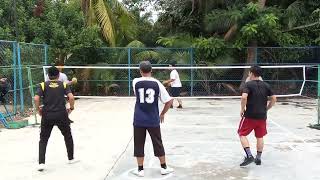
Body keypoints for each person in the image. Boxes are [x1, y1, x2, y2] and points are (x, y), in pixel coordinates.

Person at [132, 61, 174, 177]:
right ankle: (164, 167)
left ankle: (140, 169)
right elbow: (169, 101)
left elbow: (138, 94)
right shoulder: (157, 84)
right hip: (153, 119)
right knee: (158, 142)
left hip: (139, 119)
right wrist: (162, 114)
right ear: (151, 70)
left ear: (140, 71)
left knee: (139, 143)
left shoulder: (135, 82)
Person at [34, 66, 77, 171]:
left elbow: (36, 98)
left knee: (43, 139)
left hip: (47, 115)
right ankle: (71, 158)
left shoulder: (43, 85)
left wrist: (38, 109)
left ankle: (41, 163)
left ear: (48, 75)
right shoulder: (63, 84)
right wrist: (71, 108)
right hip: (61, 114)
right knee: (67, 136)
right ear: (58, 75)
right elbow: (71, 97)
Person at [238, 65, 277, 167]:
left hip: (249, 115)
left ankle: (249, 156)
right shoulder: (266, 85)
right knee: (260, 136)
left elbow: (243, 98)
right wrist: (267, 108)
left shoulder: (248, 84)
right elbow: (274, 98)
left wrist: (242, 109)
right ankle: (258, 158)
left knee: (242, 134)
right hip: (262, 116)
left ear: (251, 73)